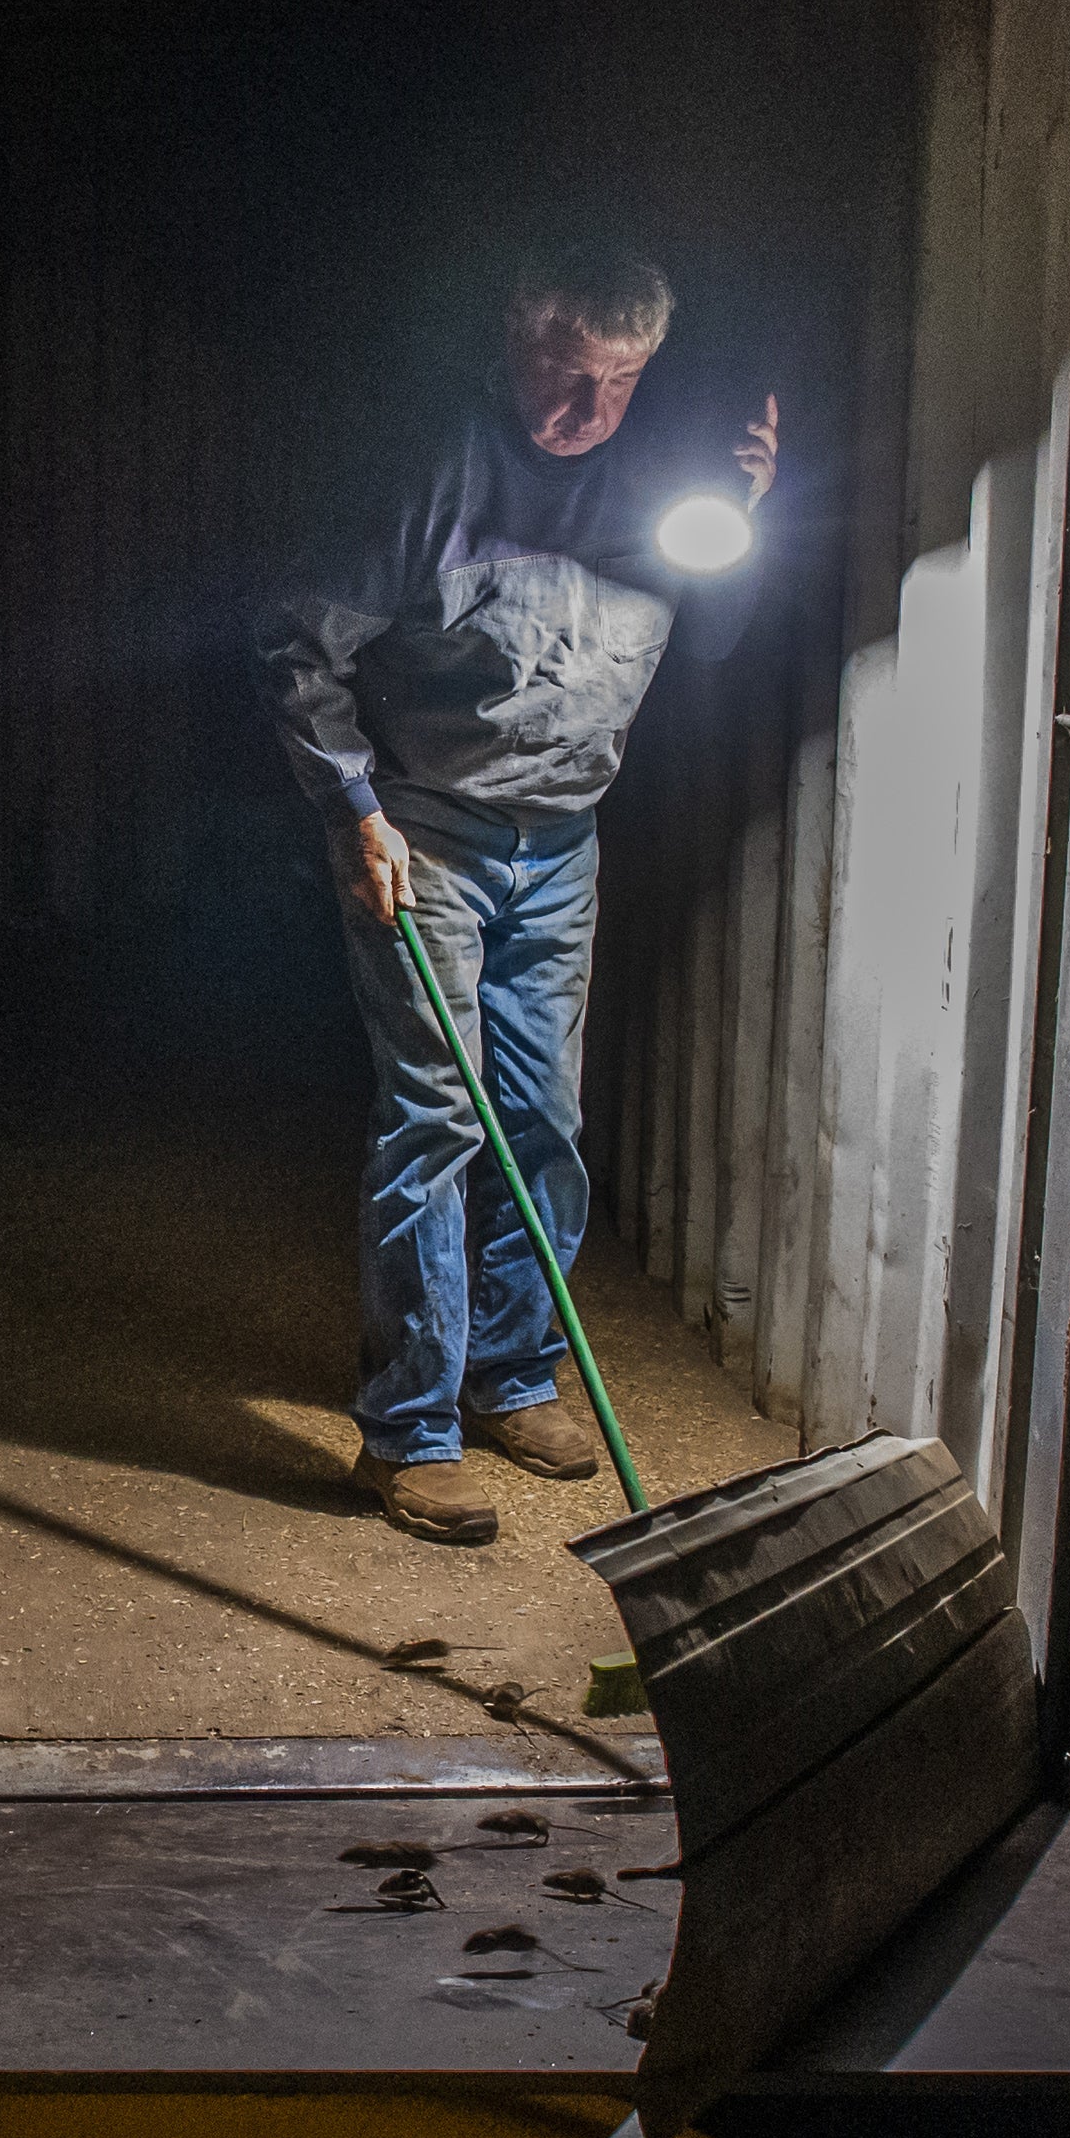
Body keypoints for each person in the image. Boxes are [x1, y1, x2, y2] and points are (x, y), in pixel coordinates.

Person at [263, 244, 777, 1545]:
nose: (577, 411)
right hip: (421, 830)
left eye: (612, 382)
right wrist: (354, 807)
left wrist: (746, 529)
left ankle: (511, 1372)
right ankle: (411, 1428)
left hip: (564, 839)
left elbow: (710, 637)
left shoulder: (673, 484)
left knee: (542, 1109)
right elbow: (299, 644)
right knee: (437, 1109)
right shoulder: (429, 473)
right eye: (559, 371)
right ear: (514, 335)